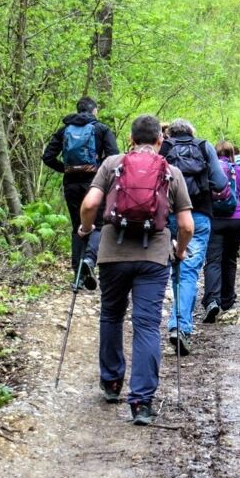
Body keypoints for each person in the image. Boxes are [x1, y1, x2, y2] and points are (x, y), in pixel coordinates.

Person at [78, 114, 194, 425]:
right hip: (153, 258)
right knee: (146, 325)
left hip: (112, 253)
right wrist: (179, 251)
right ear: (160, 140)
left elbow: (90, 205)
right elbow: (186, 225)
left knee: (112, 315)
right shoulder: (172, 172)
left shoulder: (111, 164)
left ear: (130, 139)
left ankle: (112, 382)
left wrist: (85, 229)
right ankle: (141, 401)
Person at [160, 119, 230, 354]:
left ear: (169, 132)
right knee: (188, 270)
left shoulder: (165, 147)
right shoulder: (203, 146)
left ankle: (175, 323)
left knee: (172, 270)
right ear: (192, 132)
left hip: (167, 216)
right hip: (198, 215)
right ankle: (180, 326)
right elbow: (221, 183)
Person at [42, 97, 119, 290]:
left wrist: (66, 169)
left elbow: (48, 157)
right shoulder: (101, 129)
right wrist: (98, 169)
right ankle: (89, 261)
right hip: (95, 183)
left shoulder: (64, 129)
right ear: (94, 111)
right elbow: (114, 156)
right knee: (99, 223)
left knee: (78, 225)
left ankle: (77, 276)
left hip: (71, 184)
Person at [201, 141, 240, 321]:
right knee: (230, 259)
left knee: (212, 260)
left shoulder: (207, 172)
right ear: (232, 154)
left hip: (214, 220)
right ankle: (227, 300)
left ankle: (212, 300)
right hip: (237, 221)